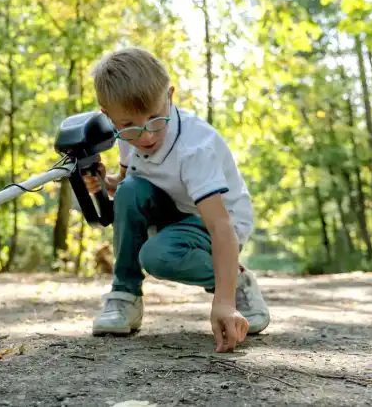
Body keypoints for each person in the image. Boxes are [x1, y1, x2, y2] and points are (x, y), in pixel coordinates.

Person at [82, 47, 270, 353]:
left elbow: (220, 225)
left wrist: (223, 301)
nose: (145, 136)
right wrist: (104, 183)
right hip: (175, 213)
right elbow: (128, 189)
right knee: (130, 190)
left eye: (155, 119)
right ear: (109, 116)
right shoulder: (128, 136)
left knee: (157, 256)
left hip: (217, 224)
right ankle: (124, 296)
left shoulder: (193, 148)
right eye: (129, 125)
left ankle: (236, 281)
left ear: (169, 96)